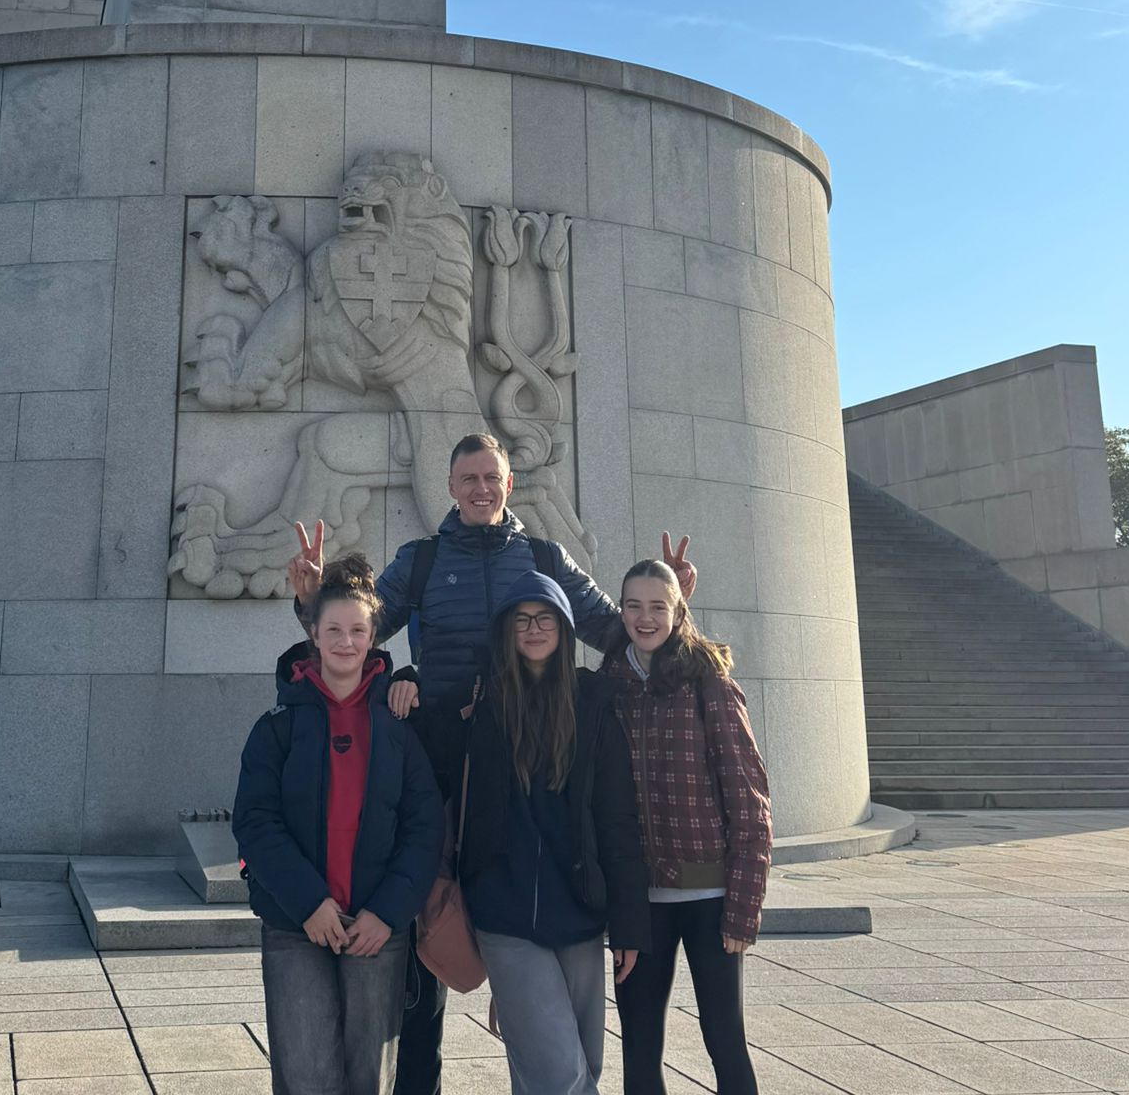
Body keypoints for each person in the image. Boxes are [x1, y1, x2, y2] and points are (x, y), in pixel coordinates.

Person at [287, 433, 696, 1095]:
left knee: (525, 919)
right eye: (468, 478)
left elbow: (611, 629)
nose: (481, 488)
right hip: (440, 763)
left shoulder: (544, 558)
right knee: (430, 944)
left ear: (510, 485)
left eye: (492, 478)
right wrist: (315, 603)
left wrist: (673, 612)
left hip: (525, 765)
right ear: (450, 487)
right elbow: (358, 631)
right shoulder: (421, 560)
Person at [417, 574, 647, 1095]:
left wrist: (629, 924)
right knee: (562, 1077)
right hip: (504, 913)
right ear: (505, 631)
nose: (534, 628)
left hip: (580, 911)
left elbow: (617, 821)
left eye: (545, 618)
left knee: (578, 1065)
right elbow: (427, 759)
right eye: (521, 620)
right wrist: (400, 680)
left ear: (564, 629)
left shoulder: (593, 706)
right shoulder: (478, 703)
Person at [234, 552, 445, 1095]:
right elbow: (255, 821)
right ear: (313, 633)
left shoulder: (399, 726)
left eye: (357, 630)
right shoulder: (277, 725)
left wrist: (388, 912)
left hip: (375, 929)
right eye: (333, 630)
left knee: (369, 1080)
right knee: (306, 1077)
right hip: (296, 924)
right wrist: (309, 903)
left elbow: (424, 827)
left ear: (374, 637)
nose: (346, 642)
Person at [603, 559, 771, 1095]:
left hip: (710, 899)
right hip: (639, 902)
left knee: (724, 1039)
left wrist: (743, 907)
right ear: (620, 611)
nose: (645, 618)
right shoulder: (609, 685)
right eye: (634, 606)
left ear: (679, 612)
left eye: (659, 606)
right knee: (639, 1047)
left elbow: (749, 799)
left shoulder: (707, 681)